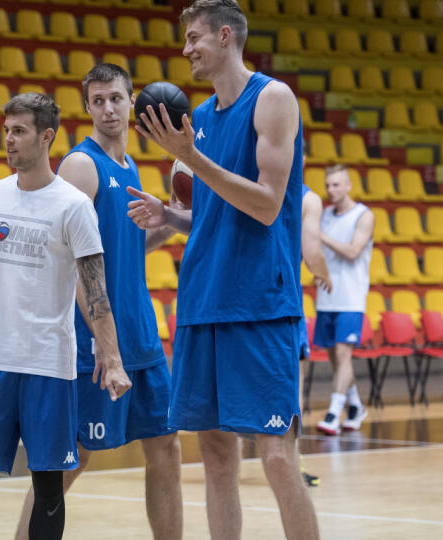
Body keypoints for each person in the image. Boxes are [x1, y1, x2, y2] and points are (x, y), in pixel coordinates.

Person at [126, 1, 320, 538]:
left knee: (277, 456)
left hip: (258, 302)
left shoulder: (273, 99)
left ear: (226, 36)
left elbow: (265, 204)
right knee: (214, 456)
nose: (186, 49)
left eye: (194, 38)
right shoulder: (202, 118)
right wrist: (172, 216)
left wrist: (192, 157)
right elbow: (214, 213)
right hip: (201, 303)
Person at [0, 93, 131, 540]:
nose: (8, 141)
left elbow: (96, 292)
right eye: (6, 131)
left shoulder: (73, 206)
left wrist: (111, 358)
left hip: (48, 367)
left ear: (46, 136)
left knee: (48, 487)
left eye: (19, 131)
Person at [13, 64, 182, 540]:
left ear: (132, 103)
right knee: (74, 455)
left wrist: (169, 222)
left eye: (116, 98)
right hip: (95, 336)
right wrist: (104, 346)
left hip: (141, 329)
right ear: (87, 108)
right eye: (99, 100)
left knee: (166, 447)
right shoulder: (81, 166)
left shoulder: (130, 167)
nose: (109, 108)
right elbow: (70, 261)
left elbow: (120, 247)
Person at [313, 164, 374, 436]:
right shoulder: (324, 214)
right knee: (335, 359)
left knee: (342, 353)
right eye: (328, 185)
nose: (331, 190)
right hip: (327, 295)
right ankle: (355, 406)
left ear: (349, 185)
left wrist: (320, 236)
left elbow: (352, 251)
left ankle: (333, 413)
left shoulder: (364, 216)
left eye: (336, 185)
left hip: (351, 296)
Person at [298, 161, 332, 486]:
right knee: (290, 389)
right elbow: (312, 252)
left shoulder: (243, 183)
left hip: (235, 300)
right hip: (282, 305)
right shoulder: (307, 199)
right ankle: (294, 460)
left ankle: (227, 465)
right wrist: (324, 273)